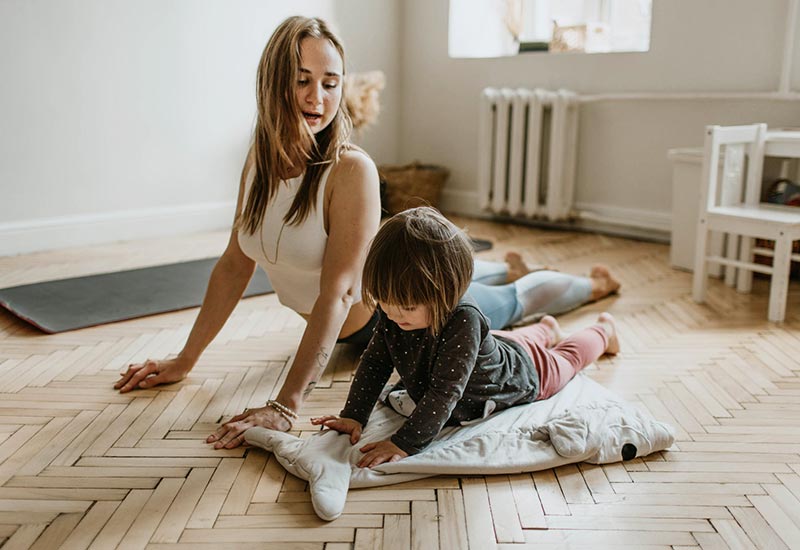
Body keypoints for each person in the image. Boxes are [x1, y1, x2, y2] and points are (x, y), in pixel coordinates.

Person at [113, 16, 619, 449]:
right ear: (272, 81)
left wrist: (286, 405)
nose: (318, 97)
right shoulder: (258, 162)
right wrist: (185, 358)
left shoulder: (349, 170)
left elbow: (337, 293)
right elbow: (232, 266)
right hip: (383, 313)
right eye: (302, 79)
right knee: (497, 295)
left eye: (330, 82)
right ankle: (514, 287)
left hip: (411, 317)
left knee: (510, 301)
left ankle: (591, 289)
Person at [311, 207, 619, 467]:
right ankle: (547, 328)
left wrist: (404, 443)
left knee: (567, 358)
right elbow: (376, 362)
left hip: (524, 372)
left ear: (445, 293)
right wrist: (354, 415)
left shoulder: (464, 319)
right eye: (385, 304)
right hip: (496, 346)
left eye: (406, 307)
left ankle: (603, 331)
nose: (392, 315)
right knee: (513, 341)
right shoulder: (395, 312)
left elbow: (445, 393)